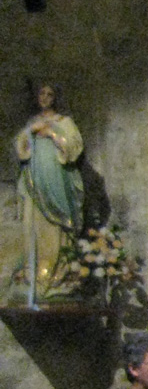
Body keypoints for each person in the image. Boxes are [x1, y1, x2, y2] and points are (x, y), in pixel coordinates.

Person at [13, 81, 85, 300]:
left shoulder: (64, 122)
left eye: (49, 94)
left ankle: (58, 273)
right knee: (32, 224)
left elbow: (74, 146)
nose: (44, 98)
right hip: (34, 183)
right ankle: (33, 273)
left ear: (55, 98)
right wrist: (31, 132)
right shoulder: (32, 122)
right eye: (41, 94)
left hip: (57, 182)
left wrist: (53, 134)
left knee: (56, 228)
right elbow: (20, 148)